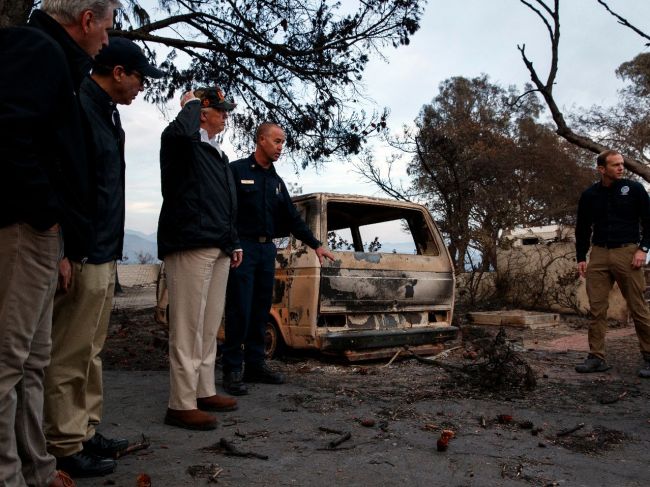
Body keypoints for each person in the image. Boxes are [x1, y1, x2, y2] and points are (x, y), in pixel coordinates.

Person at [0, 1, 121, 485]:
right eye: (107, 29)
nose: (107, 40)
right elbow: (10, 135)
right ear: (86, 20)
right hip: (25, 227)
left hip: (47, 234)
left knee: (33, 362)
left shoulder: (55, 61)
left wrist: (63, 240)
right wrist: (47, 218)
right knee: (8, 361)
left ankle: (37, 467)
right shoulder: (35, 50)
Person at [43, 37, 164, 478]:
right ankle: (63, 442)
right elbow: (68, 185)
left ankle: (85, 430)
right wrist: (66, 251)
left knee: (92, 351)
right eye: (139, 79)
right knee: (69, 352)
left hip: (103, 249)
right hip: (83, 248)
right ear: (118, 73)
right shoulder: (79, 106)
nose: (141, 88)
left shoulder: (108, 113)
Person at [222, 123, 335, 396]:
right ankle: (232, 369)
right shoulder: (236, 171)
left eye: (283, 142)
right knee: (240, 309)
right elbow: (225, 212)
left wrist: (316, 245)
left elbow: (293, 219)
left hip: (265, 251)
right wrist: (233, 244)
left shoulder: (275, 181)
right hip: (242, 251)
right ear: (261, 140)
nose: (280, 147)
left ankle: (256, 365)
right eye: (276, 141)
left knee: (261, 309)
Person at [157, 87, 242, 431]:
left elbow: (225, 203)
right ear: (202, 113)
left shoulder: (216, 153)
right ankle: (180, 403)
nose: (225, 116)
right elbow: (177, 130)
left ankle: (204, 390)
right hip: (189, 243)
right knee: (187, 327)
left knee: (208, 326)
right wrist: (190, 103)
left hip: (217, 244)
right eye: (219, 110)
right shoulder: (181, 143)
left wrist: (233, 240)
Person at [575, 149, 650, 377]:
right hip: (598, 253)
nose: (621, 168)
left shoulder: (634, 189)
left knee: (638, 306)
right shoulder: (590, 195)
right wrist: (580, 256)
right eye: (615, 165)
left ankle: (649, 356)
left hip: (628, 252)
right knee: (597, 309)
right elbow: (582, 228)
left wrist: (642, 249)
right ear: (601, 169)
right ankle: (596, 357)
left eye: (622, 164)